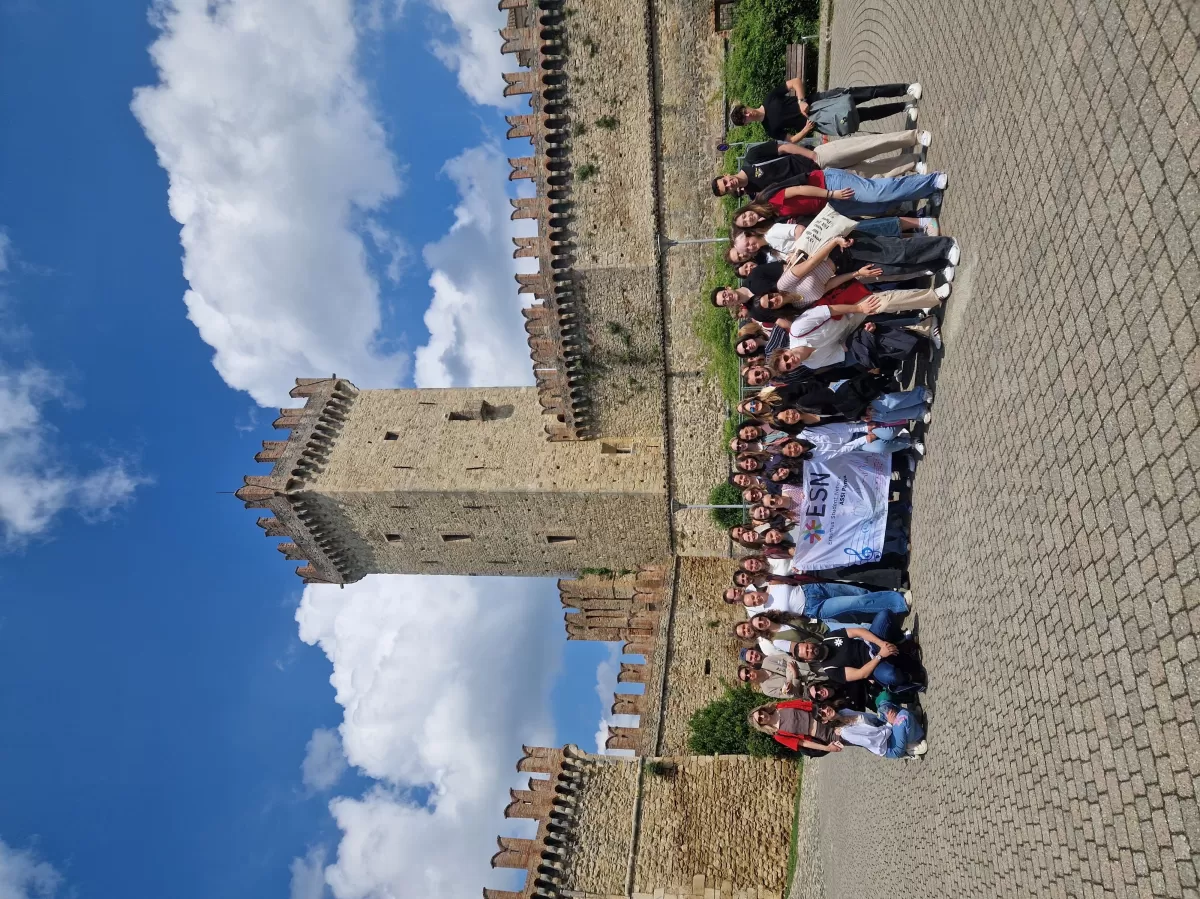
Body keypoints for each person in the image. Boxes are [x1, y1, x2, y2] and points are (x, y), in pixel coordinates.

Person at [731, 82, 922, 141]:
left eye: (745, 112)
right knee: (866, 115)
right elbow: (790, 140)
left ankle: (905, 89)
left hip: (821, 101)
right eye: (745, 119)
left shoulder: (769, 98)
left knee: (866, 94)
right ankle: (904, 107)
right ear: (746, 124)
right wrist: (806, 130)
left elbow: (795, 82)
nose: (748, 115)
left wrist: (801, 100)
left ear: (746, 107)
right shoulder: (769, 129)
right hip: (821, 121)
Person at [792, 609, 926, 692]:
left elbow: (859, 632)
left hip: (873, 644)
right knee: (891, 676)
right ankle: (910, 676)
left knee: (885, 615)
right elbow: (861, 674)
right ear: (807, 660)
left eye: (807, 647)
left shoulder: (830, 637)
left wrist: (881, 643)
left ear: (808, 642)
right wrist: (879, 656)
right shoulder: (831, 670)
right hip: (874, 667)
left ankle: (904, 644)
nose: (810, 650)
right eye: (807, 653)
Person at [728, 583, 908, 622]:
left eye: (753, 597)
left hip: (813, 589)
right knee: (856, 602)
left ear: (754, 592)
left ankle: (889, 606)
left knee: (859, 592)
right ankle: (899, 602)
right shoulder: (769, 611)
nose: (756, 600)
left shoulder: (771, 585)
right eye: (753, 603)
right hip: (815, 608)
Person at [814, 702, 927, 758]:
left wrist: (884, 717)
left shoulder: (844, 711)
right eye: (822, 714)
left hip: (884, 728)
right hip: (889, 745)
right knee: (903, 716)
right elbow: (873, 740)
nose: (826, 710)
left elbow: (871, 719)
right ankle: (911, 742)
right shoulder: (846, 732)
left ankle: (913, 720)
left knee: (883, 704)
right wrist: (889, 723)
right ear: (824, 721)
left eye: (823, 707)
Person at [749, 701, 842, 754]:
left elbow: (806, 704)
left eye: (760, 713)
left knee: (853, 720)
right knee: (853, 739)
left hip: (826, 717)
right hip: (824, 734)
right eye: (760, 719)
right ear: (761, 725)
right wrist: (827, 748)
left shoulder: (779, 706)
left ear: (762, 709)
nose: (763, 716)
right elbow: (803, 743)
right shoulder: (778, 734)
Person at [737, 649, 807, 699]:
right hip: (807, 690)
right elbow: (790, 695)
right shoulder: (767, 690)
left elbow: (787, 658)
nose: (748, 675)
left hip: (806, 669)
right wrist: (794, 675)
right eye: (746, 678)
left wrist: (789, 680)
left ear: (750, 667)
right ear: (749, 681)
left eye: (747, 672)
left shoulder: (767, 661)